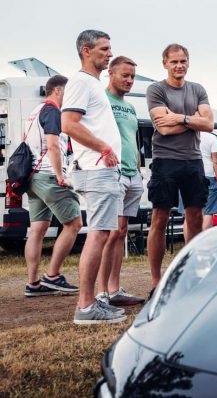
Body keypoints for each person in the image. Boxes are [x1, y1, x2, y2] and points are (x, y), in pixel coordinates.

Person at [61, 29, 125, 325]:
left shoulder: (92, 83)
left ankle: (90, 302)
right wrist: (104, 148)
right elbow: (68, 124)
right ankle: (86, 307)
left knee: (102, 233)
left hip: (102, 169)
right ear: (86, 51)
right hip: (96, 168)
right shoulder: (80, 81)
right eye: (104, 49)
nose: (109, 54)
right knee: (98, 234)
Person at [146, 43, 213, 292]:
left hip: (193, 160)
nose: (179, 65)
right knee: (160, 219)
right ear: (165, 63)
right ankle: (156, 281)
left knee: (195, 217)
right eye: (174, 61)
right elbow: (163, 128)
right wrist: (195, 120)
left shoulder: (197, 89)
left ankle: (190, 276)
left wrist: (179, 117)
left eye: (183, 61)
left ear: (188, 62)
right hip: (165, 160)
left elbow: (209, 124)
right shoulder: (156, 89)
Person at [23, 75, 83, 297]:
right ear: (57, 91)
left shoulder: (35, 112)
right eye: (68, 92)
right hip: (49, 176)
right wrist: (60, 176)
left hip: (33, 177)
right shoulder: (53, 112)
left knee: (37, 229)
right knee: (74, 224)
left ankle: (33, 283)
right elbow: (53, 146)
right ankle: (53, 275)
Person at [95, 56, 145, 307]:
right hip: (112, 172)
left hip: (131, 173)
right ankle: (102, 291)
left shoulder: (131, 107)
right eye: (125, 75)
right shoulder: (101, 100)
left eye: (132, 76)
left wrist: (137, 166)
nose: (129, 80)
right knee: (110, 232)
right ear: (111, 73)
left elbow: (131, 138)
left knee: (121, 231)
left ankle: (114, 289)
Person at [200, 130, 217, 229]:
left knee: (189, 212)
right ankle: (203, 237)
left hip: (188, 175)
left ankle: (190, 238)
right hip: (208, 175)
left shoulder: (186, 135)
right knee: (208, 211)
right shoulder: (211, 137)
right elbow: (216, 161)